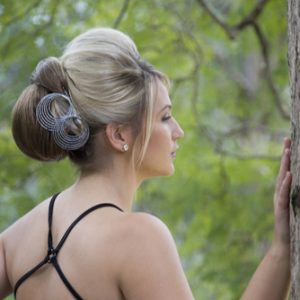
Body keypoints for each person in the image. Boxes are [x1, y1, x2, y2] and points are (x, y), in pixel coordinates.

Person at [0, 27, 291, 299]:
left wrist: (283, 249)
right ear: (119, 134)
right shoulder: (138, 238)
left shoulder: (21, 236)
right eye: (164, 116)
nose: (179, 131)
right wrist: (281, 250)